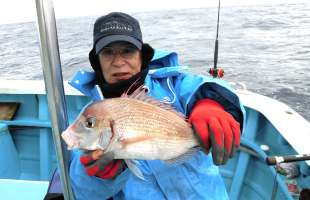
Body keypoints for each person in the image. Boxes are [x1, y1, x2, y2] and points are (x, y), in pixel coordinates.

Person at [68, 12, 245, 200]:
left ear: (141, 56)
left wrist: (210, 102)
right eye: (108, 52)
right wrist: (97, 176)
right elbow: (84, 193)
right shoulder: (91, 115)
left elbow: (202, 86)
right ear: (98, 61)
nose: (119, 62)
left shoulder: (172, 85)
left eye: (127, 50)